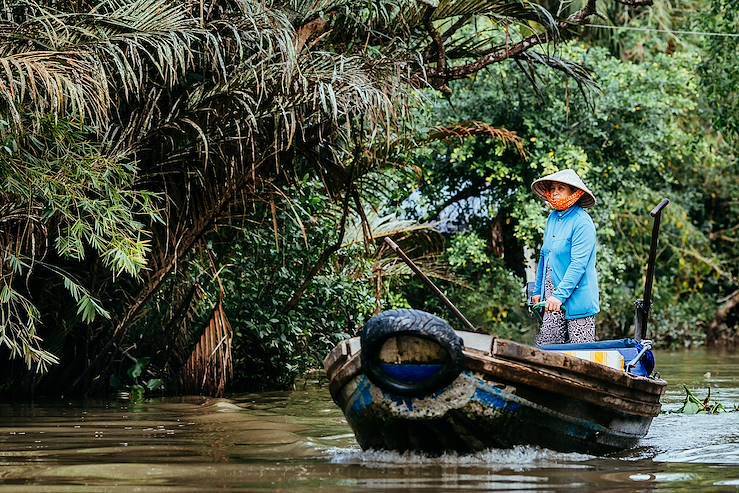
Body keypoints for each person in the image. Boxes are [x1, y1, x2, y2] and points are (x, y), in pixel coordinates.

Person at [531, 169, 599, 345]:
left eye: (561, 188)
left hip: (577, 300)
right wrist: (538, 291)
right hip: (551, 300)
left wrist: (559, 296)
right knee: (546, 350)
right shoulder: (553, 218)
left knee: (581, 358)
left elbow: (578, 264)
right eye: (553, 188)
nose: (554, 192)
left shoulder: (582, 222)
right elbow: (544, 256)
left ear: (574, 193)